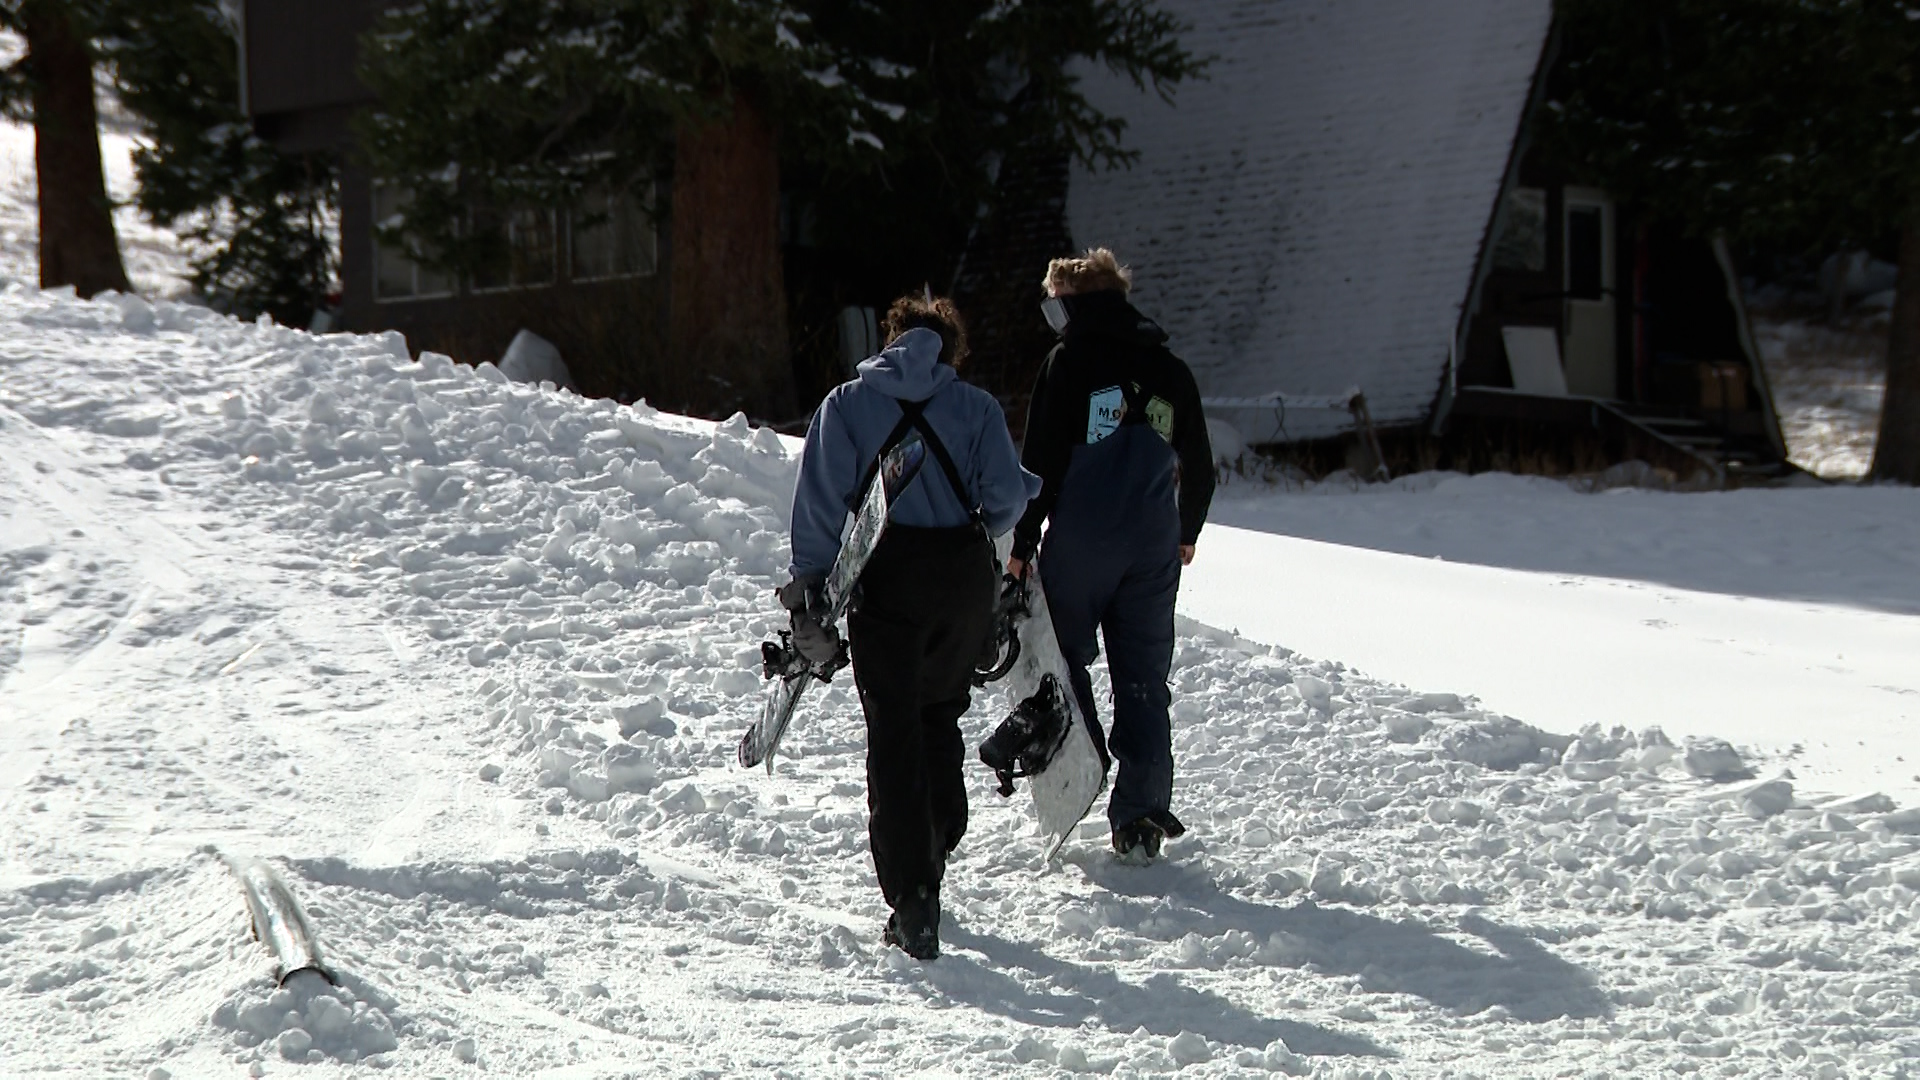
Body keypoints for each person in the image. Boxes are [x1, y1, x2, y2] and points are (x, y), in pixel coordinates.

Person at [783, 294, 1039, 959]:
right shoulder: (978, 409)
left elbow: (817, 501)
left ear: (890, 339)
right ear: (951, 349)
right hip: (961, 578)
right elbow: (1008, 499)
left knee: (894, 733)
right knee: (938, 716)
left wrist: (811, 587)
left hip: (889, 574)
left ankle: (913, 899)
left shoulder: (846, 405)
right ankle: (938, 840)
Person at [1007, 248, 1215, 863]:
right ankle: (1142, 812)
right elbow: (1200, 464)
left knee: (1062, 667)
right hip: (1152, 544)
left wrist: (1021, 545)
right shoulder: (1170, 369)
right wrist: (1187, 530)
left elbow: (1039, 465)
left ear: (1071, 305)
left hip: (1081, 542)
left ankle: (1081, 760)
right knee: (1145, 680)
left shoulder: (1066, 364)